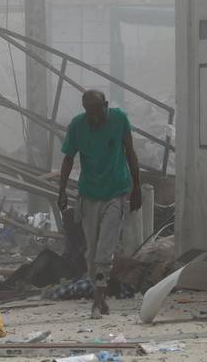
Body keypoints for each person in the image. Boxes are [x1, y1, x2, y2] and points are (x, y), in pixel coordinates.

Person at [58, 90, 141, 319]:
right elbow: (68, 159)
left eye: (97, 110)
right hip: (89, 195)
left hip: (116, 192)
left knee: (105, 250)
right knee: (92, 253)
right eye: (89, 112)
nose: (94, 116)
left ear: (105, 105)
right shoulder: (77, 126)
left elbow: (130, 152)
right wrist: (62, 190)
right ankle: (100, 294)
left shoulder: (119, 119)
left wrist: (138, 188)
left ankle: (97, 301)